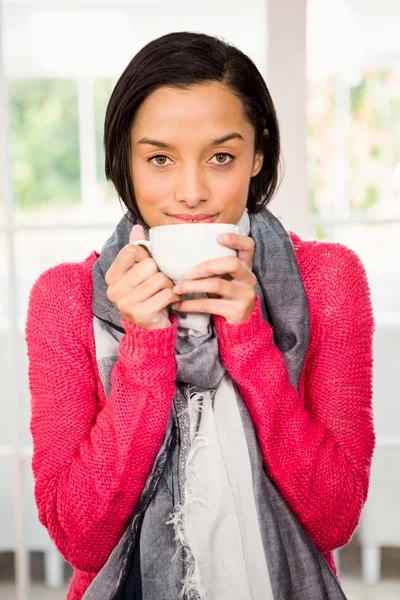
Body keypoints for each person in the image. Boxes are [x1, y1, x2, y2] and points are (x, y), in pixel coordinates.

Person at [26, 32, 374, 600]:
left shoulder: (327, 280)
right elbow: (80, 540)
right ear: (125, 161)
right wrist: (144, 345)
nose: (191, 192)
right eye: (159, 158)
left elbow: (335, 518)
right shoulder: (65, 298)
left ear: (257, 155)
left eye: (221, 157)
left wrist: (251, 342)